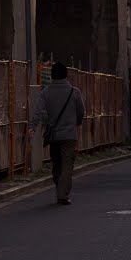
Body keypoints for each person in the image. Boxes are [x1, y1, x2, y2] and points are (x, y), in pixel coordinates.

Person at [29, 61, 85, 206]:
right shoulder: (75, 92)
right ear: (66, 74)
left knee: (57, 164)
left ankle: (60, 189)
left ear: (52, 75)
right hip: (69, 136)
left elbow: (38, 111)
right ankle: (62, 194)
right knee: (67, 165)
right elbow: (81, 112)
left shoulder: (46, 92)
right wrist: (77, 122)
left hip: (54, 135)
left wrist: (32, 126)